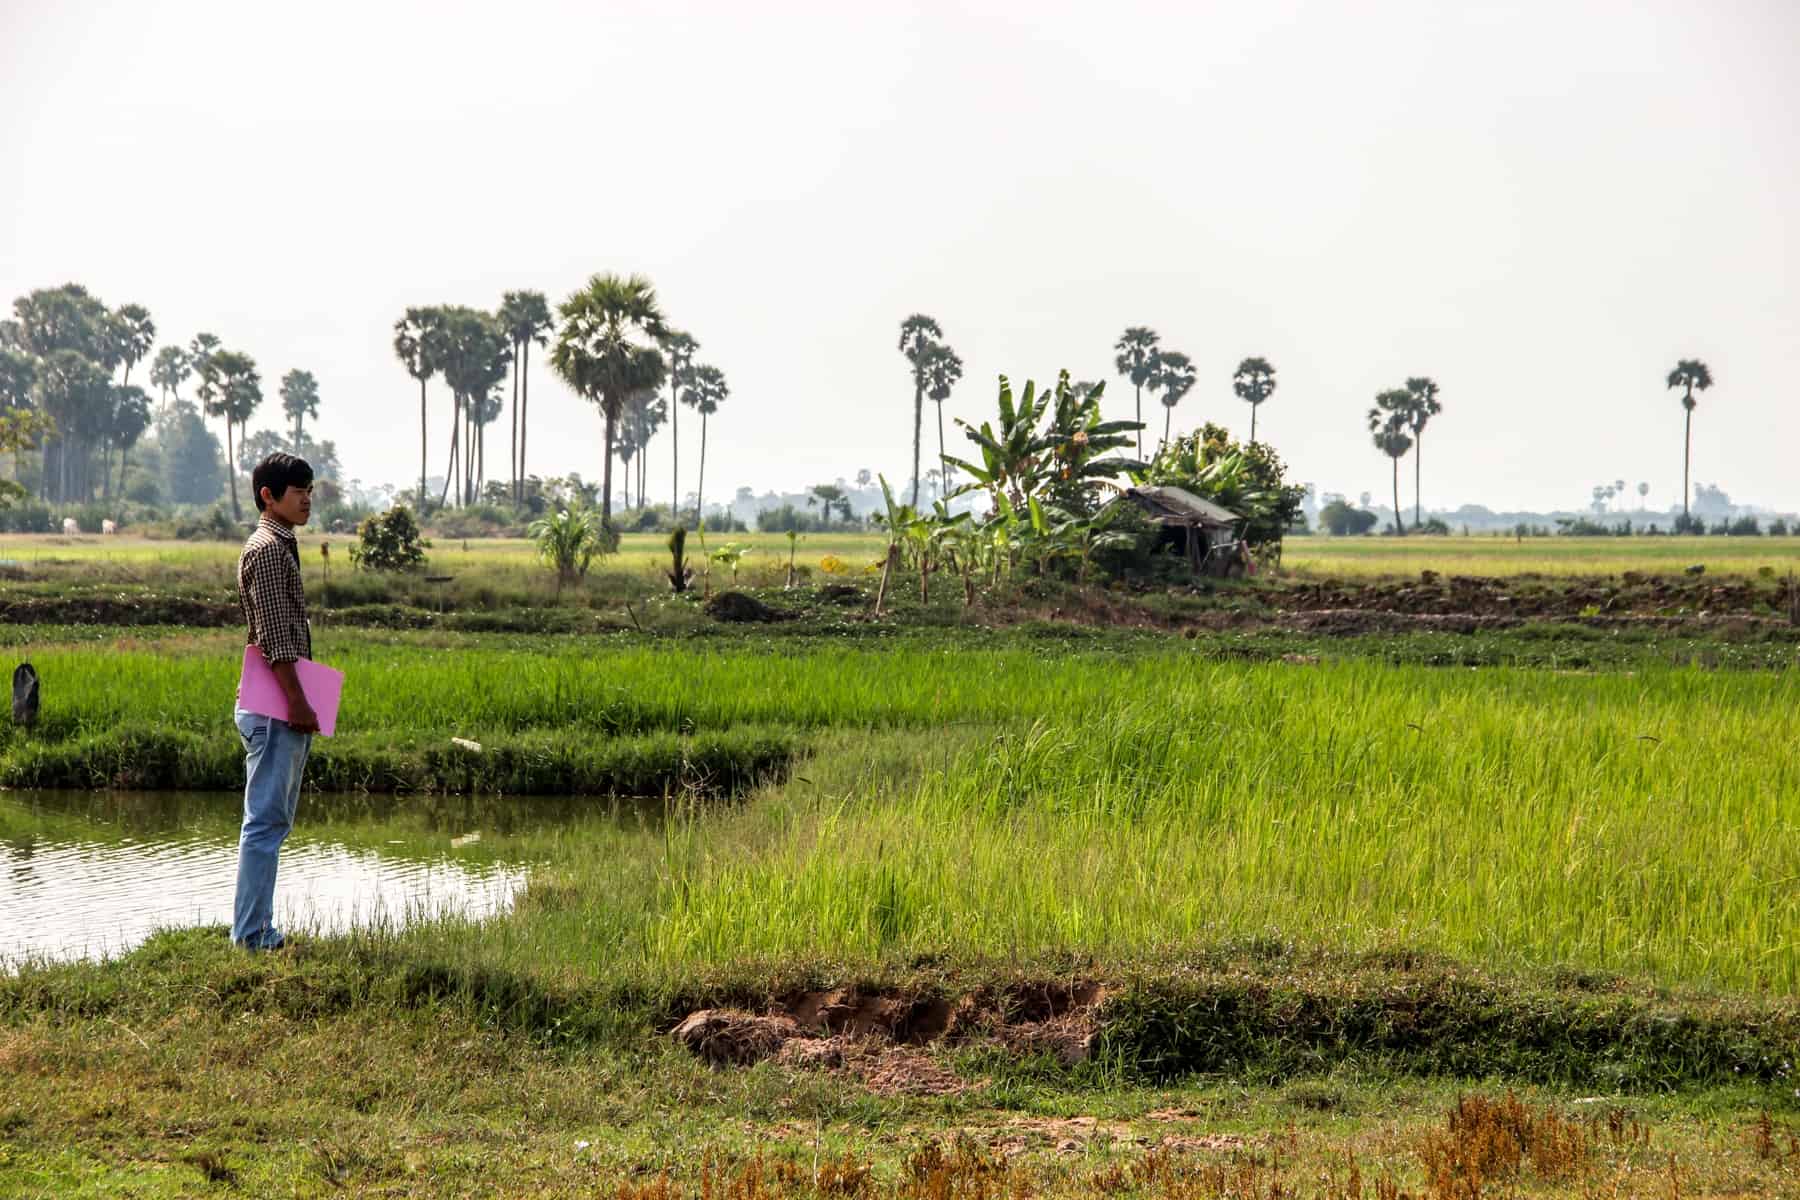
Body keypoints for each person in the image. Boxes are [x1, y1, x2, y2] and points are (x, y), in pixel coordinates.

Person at [232, 452, 318, 950]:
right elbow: (273, 638)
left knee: (272, 821)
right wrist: (299, 704)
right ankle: (251, 934)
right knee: (264, 822)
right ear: (269, 495)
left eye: (310, 489)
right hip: (274, 706)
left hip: (278, 701)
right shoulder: (267, 550)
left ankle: (256, 928)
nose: (306, 499)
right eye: (297, 490)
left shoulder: (281, 544)